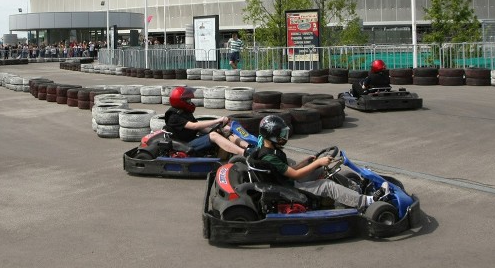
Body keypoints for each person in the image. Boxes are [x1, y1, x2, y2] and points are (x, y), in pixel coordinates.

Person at [251, 115, 390, 210]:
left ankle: (355, 190)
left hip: (286, 181)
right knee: (327, 185)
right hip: (289, 189)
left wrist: (306, 162)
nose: (284, 138)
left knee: (322, 171)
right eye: (281, 135)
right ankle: (368, 202)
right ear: (272, 137)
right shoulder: (270, 157)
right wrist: (318, 162)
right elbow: (295, 175)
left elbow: (287, 170)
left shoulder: (269, 150)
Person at [164, 86, 249, 156]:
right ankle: (244, 153)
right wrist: (217, 121)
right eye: (188, 100)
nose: (190, 102)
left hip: (192, 140)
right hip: (184, 145)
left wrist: (219, 129)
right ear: (180, 101)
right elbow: (194, 126)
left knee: (226, 131)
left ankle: (249, 147)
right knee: (213, 135)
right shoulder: (173, 117)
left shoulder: (184, 113)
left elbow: (199, 128)